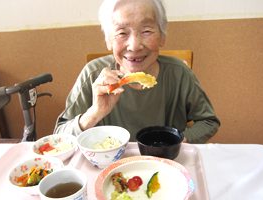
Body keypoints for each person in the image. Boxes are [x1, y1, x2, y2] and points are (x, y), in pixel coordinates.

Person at [54, 0, 220, 143]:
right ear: (108, 40)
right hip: (109, 167)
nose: (134, 46)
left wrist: (179, 140)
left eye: (146, 31)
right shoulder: (93, 75)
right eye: (122, 33)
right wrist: (95, 112)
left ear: (162, 36)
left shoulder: (180, 74)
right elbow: (59, 137)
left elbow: (208, 121)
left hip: (165, 164)